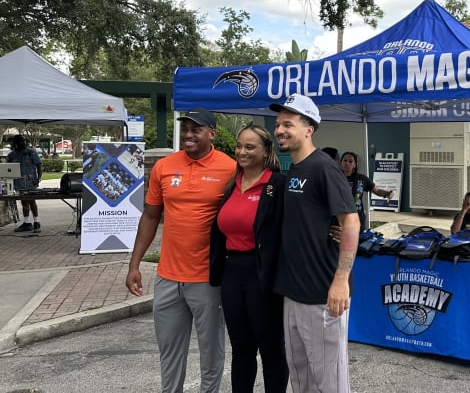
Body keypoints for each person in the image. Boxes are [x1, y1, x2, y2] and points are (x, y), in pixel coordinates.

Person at [125, 107, 236, 393]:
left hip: (207, 278)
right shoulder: (164, 166)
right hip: (168, 277)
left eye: (195, 129)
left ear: (212, 133)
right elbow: (150, 216)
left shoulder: (230, 168)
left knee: (212, 352)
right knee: (170, 352)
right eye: (185, 128)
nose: (188, 134)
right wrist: (134, 264)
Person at [271, 93, 360, 393]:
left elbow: (350, 221)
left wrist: (341, 280)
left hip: (323, 295)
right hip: (293, 293)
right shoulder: (294, 168)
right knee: (302, 380)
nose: (280, 130)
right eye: (278, 124)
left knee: (330, 383)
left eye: (288, 124)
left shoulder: (323, 166)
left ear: (309, 129)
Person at [208, 125, 288, 393]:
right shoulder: (233, 183)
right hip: (232, 274)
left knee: (271, 351)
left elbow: (294, 226)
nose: (241, 151)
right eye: (239, 146)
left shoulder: (277, 185)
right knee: (241, 350)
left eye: (250, 147)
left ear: (266, 151)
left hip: (262, 275)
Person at [339, 151, 394, 231]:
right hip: (341, 218)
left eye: (350, 161)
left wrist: (387, 193)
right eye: (345, 160)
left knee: (360, 242)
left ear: (355, 164)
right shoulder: (335, 178)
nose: (347, 163)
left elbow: (377, 190)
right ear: (341, 162)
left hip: (357, 218)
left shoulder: (361, 179)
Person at [8, 135, 42, 232]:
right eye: (19, 141)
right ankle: (27, 223)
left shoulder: (31, 152)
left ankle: (36, 222)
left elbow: (39, 165)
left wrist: (38, 179)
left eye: (23, 140)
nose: (22, 143)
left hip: (31, 181)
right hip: (19, 182)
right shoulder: (11, 155)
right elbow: (8, 169)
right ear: (15, 143)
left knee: (32, 200)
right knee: (24, 201)